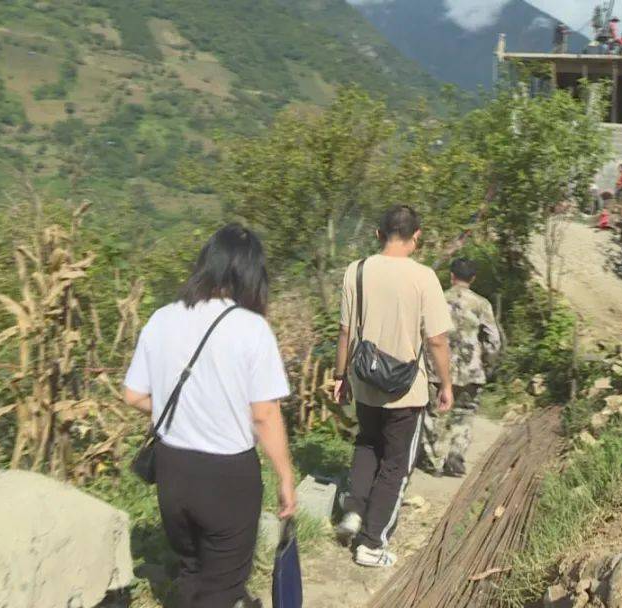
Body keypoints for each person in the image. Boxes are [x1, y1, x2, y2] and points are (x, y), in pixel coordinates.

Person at [123, 224, 296, 608]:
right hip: (227, 478)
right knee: (222, 587)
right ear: (251, 274)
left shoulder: (162, 318)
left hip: (172, 470)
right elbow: (265, 415)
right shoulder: (252, 329)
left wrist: (184, 405)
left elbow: (134, 395)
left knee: (192, 570)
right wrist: (286, 476)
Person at [333, 206, 454, 568]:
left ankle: (354, 509)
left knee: (367, 443)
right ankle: (371, 543)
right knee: (396, 466)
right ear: (417, 236)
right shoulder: (424, 277)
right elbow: (436, 340)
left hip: (366, 383)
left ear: (378, 235)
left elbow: (345, 332)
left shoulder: (356, 271)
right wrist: (445, 383)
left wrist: (340, 377)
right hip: (406, 389)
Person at [419, 258, 501, 477]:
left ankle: (434, 460)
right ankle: (455, 456)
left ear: (451, 276)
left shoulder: (436, 300)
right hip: (470, 370)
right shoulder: (482, 304)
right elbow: (493, 339)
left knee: (435, 414)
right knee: (464, 414)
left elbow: (422, 333)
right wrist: (488, 363)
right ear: (473, 278)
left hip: (437, 368)